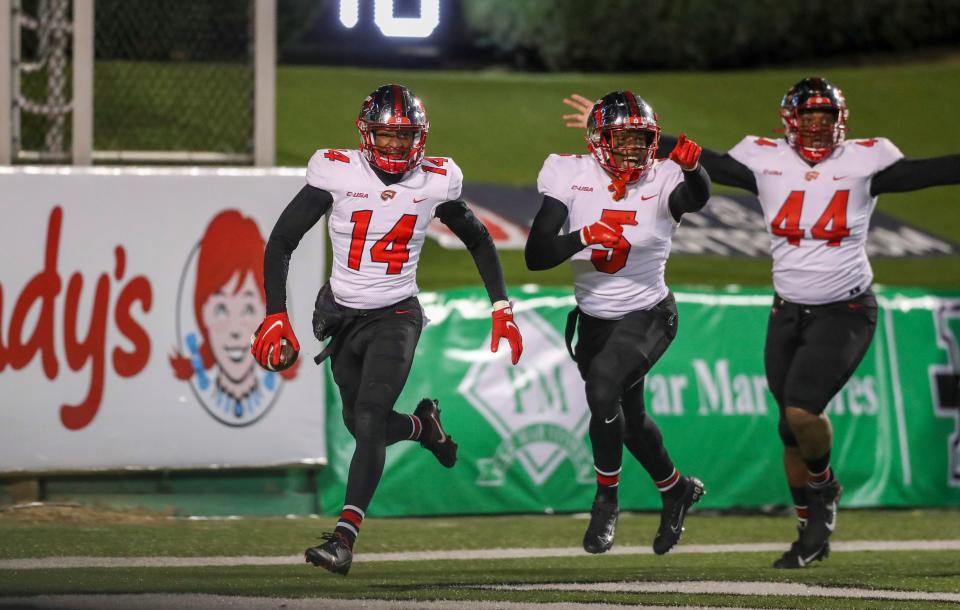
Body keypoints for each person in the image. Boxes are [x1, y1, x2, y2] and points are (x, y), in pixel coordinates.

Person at [562, 77, 960, 568]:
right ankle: (809, 531)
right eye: (808, 118)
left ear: (840, 123)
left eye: (825, 118)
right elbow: (705, 157)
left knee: (800, 412)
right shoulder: (766, 158)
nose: (817, 127)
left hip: (847, 307)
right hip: (787, 307)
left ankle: (824, 487)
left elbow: (928, 172)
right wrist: (622, 131)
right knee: (788, 428)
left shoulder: (864, 160)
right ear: (789, 122)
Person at [252, 84, 524, 576]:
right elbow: (282, 241)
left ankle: (343, 539)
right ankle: (424, 427)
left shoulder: (437, 180)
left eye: (405, 138)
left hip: (397, 314)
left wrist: (501, 305)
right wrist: (275, 313)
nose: (397, 148)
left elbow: (479, 239)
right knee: (359, 424)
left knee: (372, 418)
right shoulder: (336, 171)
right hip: (343, 316)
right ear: (366, 134)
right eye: (387, 136)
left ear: (420, 138)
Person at [527, 90, 710, 556]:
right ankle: (674, 489)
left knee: (603, 389)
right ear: (598, 140)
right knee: (630, 421)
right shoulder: (570, 174)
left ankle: (607, 499)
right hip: (594, 321)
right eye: (621, 139)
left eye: (640, 140)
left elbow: (696, 196)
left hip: (649, 312)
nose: (632, 150)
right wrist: (584, 235)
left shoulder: (665, 175)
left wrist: (694, 169)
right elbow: (537, 254)